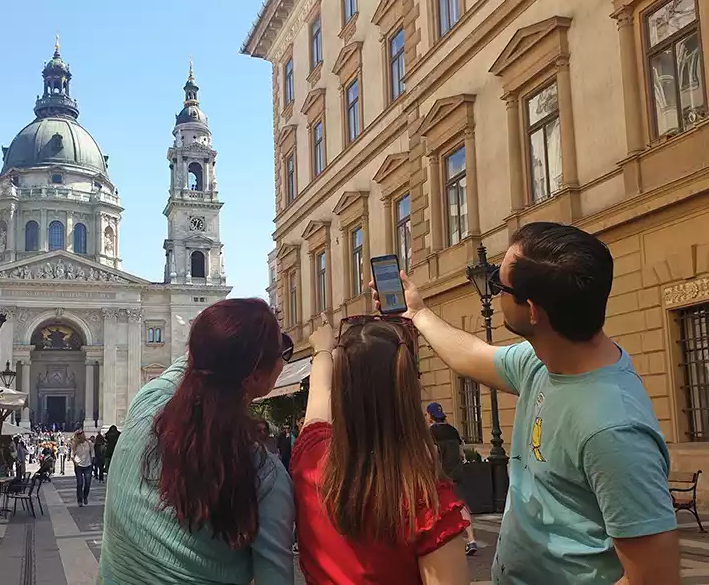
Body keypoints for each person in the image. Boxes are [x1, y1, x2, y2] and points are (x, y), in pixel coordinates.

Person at [371, 222, 679, 585]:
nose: (494, 293)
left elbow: (654, 578)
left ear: (532, 310)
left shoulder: (613, 430)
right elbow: (472, 355)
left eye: (500, 286)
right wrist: (418, 313)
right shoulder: (542, 360)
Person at [97, 298, 295, 584]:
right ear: (256, 375)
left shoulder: (146, 402)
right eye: (282, 351)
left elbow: (199, 360)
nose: (283, 357)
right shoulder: (264, 476)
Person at [291, 314, 469, 585]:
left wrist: (323, 350)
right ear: (408, 389)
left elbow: (317, 397)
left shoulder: (310, 459)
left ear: (341, 389)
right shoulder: (426, 499)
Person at [425, 402, 479, 555]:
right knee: (461, 506)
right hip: (456, 473)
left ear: (430, 415)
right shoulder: (453, 430)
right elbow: (462, 454)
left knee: (436, 509)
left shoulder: (430, 433)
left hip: (440, 475)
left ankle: (444, 543)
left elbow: (432, 454)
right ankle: (471, 539)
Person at [71, 430, 94, 506]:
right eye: (80, 435)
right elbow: (72, 455)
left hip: (88, 465)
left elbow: (92, 453)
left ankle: (85, 496)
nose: (83, 436)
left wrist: (92, 461)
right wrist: (75, 462)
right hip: (79, 466)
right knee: (80, 483)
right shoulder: (75, 445)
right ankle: (79, 500)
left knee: (87, 483)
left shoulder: (89, 443)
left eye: (83, 434)